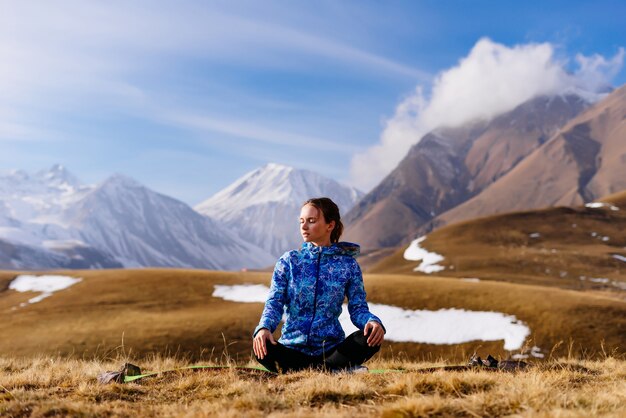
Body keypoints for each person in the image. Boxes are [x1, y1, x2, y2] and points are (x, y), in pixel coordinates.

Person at [252, 197, 385, 373]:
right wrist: (264, 328)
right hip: (292, 349)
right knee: (262, 347)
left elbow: (358, 308)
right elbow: (274, 302)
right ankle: (334, 371)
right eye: (301, 221)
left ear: (330, 225)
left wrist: (373, 322)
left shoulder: (348, 265)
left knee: (369, 337)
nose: (304, 226)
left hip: (332, 349)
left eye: (311, 221)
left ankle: (312, 370)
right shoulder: (289, 261)